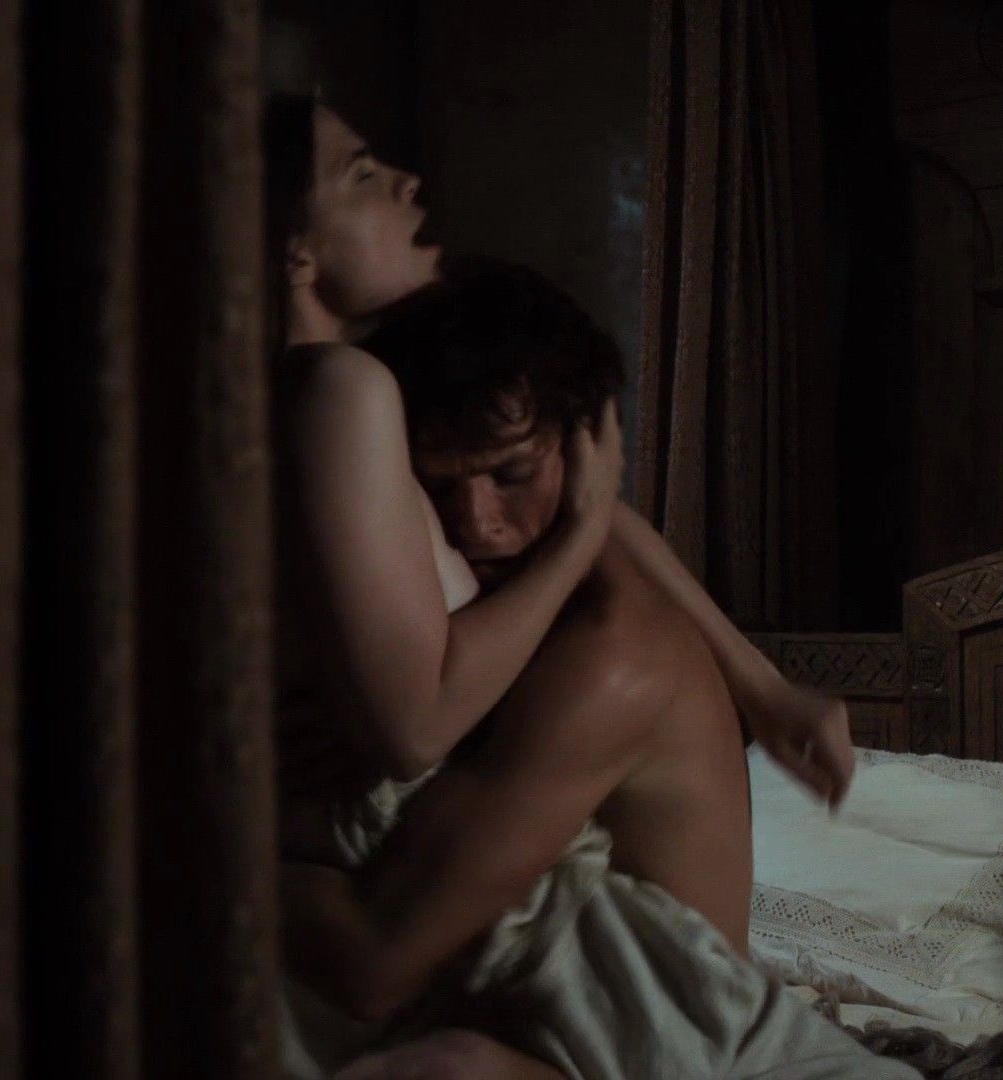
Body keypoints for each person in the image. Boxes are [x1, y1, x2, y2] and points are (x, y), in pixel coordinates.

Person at [260, 94, 872, 1078]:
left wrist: (762, 685)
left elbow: (420, 731)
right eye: (363, 174)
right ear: (290, 248)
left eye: (511, 474)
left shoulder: (601, 638)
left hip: (652, 1024)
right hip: (471, 954)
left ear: (584, 452)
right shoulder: (350, 397)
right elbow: (558, 531)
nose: (476, 526)